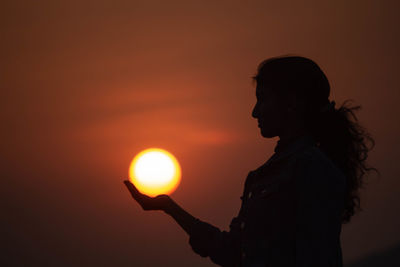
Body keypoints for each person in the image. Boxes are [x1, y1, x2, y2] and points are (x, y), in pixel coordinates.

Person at [123, 56, 378, 266]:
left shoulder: (311, 169)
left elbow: (317, 257)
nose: (255, 111)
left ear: (292, 103)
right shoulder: (263, 176)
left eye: (263, 98)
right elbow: (234, 251)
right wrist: (170, 208)